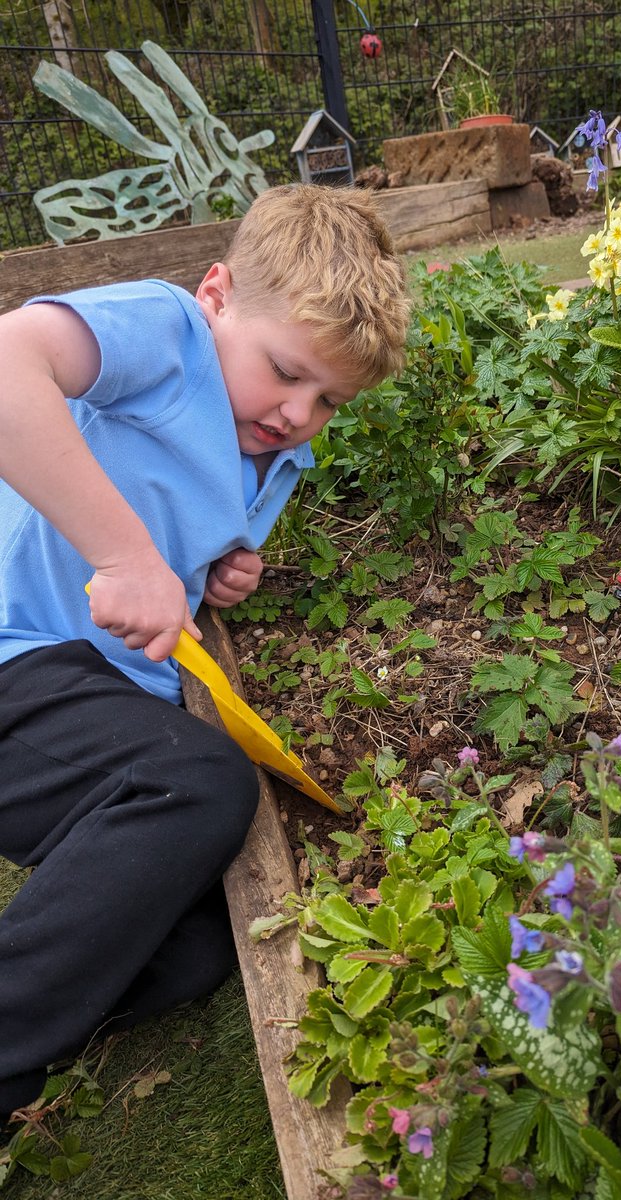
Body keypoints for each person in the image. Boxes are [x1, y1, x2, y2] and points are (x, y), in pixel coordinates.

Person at [0, 184, 410, 1130]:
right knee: (202, 787)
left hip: (96, 701)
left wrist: (215, 567)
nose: (299, 412)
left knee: (201, 941)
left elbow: (181, 514)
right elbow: (12, 360)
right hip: (20, 655)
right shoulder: (170, 330)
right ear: (218, 292)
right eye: (286, 371)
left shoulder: (271, 447)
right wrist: (126, 552)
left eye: (328, 401)